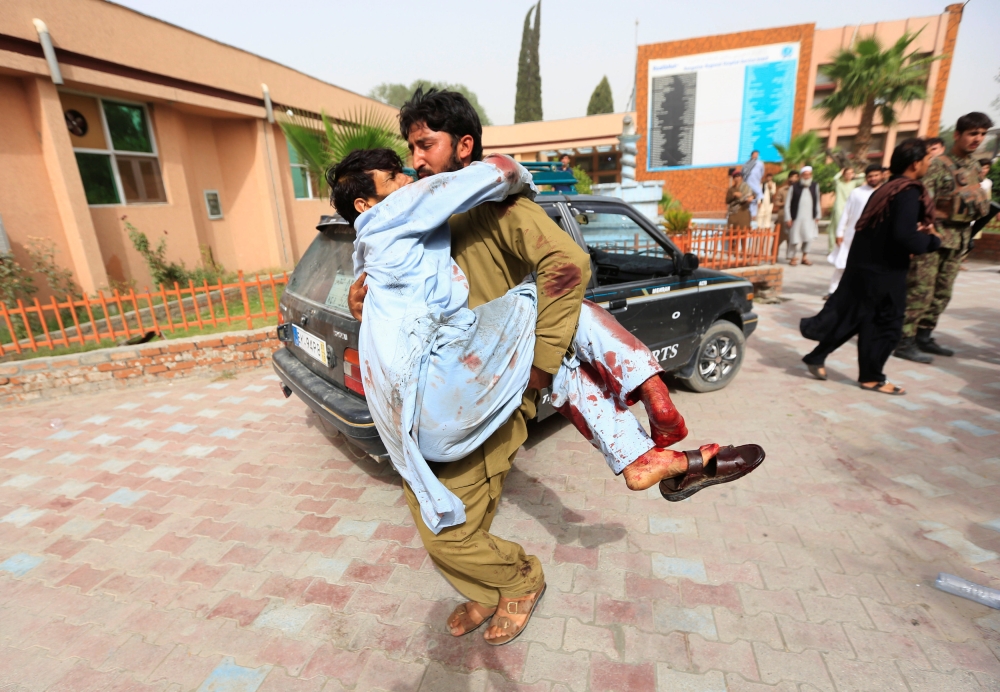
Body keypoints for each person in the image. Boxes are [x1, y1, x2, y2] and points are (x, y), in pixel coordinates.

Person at [344, 89, 763, 645]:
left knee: (447, 527)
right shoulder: (420, 220)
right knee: (449, 510)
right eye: (409, 151)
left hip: (489, 394)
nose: (415, 162)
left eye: (425, 146)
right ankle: (491, 587)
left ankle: (519, 583)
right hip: (435, 391)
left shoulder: (498, 209)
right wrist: (366, 303)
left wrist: (539, 369)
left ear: (464, 146)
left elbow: (567, 266)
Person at [800, 138, 941, 394]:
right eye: (928, 159)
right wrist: (932, 240)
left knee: (859, 318)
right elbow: (904, 235)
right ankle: (871, 376)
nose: (929, 164)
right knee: (888, 325)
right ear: (915, 163)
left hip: (866, 267)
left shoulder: (887, 189)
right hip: (885, 272)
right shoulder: (907, 192)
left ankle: (817, 356)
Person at [894, 112, 993, 363]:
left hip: (958, 237)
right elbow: (923, 201)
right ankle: (904, 340)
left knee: (943, 291)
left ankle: (924, 336)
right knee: (920, 290)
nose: (977, 139)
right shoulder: (938, 164)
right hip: (935, 236)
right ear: (957, 135)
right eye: (972, 133)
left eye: (982, 134)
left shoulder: (973, 166)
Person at [785, 165, 820, 265]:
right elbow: (787, 204)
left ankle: (804, 257)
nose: (807, 176)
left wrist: (818, 215)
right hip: (796, 217)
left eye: (808, 174)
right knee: (794, 238)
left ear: (811, 175)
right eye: (805, 174)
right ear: (801, 175)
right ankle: (792, 258)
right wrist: (788, 218)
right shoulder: (794, 187)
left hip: (810, 217)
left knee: (808, 237)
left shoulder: (815, 186)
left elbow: (817, 201)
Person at [829, 166, 861, 252]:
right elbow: (835, 179)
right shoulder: (839, 183)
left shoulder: (854, 183)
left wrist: (856, 175)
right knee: (836, 228)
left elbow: (864, 177)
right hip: (839, 208)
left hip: (850, 208)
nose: (849, 175)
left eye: (851, 173)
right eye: (847, 173)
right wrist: (840, 172)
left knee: (848, 228)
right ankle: (832, 249)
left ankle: (844, 248)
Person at [774, 170, 798, 253]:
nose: (793, 179)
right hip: (783, 217)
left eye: (796, 177)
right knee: (778, 238)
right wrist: (785, 203)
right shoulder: (782, 190)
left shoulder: (799, 190)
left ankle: (791, 256)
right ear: (789, 178)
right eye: (792, 177)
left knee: (792, 239)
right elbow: (776, 202)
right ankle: (774, 256)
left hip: (794, 218)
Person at [742, 150, 765, 217]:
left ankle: (754, 213)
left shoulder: (760, 163)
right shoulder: (746, 163)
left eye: (757, 154)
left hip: (756, 181)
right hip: (748, 181)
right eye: (754, 154)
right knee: (748, 197)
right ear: (752, 155)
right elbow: (743, 172)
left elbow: (762, 172)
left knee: (757, 194)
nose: (755, 155)